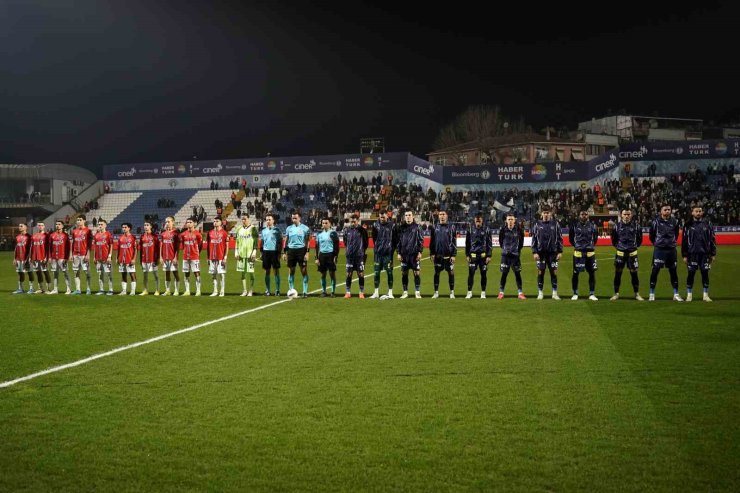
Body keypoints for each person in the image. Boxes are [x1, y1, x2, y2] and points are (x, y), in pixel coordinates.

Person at [681, 205, 716, 302]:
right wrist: (684, 255)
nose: (698, 213)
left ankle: (705, 295)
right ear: (692, 213)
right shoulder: (688, 224)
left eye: (700, 211)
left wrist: (713, 254)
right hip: (692, 254)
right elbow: (684, 241)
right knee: (691, 274)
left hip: (705, 254)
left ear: (702, 212)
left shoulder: (707, 223)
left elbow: (712, 239)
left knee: (705, 273)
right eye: (696, 211)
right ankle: (689, 295)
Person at [648, 204, 682, 302]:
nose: (667, 211)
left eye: (669, 209)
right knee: (655, 270)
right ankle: (651, 293)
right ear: (661, 211)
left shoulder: (675, 221)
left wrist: (670, 243)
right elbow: (651, 235)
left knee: (673, 271)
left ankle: (676, 294)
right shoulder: (655, 222)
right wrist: (658, 244)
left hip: (671, 250)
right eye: (665, 209)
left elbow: (675, 234)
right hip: (659, 250)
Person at [610, 209, 644, 301]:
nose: (626, 216)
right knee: (618, 273)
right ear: (621, 215)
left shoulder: (636, 226)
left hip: (632, 254)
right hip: (620, 253)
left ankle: (636, 294)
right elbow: (613, 240)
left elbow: (640, 240)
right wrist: (619, 247)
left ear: (631, 215)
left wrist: (633, 247)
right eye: (625, 214)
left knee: (634, 274)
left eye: (628, 214)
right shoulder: (616, 226)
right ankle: (616, 293)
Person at [531, 205, 563, 300]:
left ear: (550, 214)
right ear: (541, 214)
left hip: (553, 253)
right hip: (541, 254)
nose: (546, 214)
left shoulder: (555, 224)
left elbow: (560, 239)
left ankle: (554, 293)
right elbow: (534, 240)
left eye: (547, 213)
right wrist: (534, 252)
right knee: (541, 273)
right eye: (544, 213)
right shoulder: (537, 224)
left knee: (554, 273)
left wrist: (560, 252)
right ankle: (540, 293)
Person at [569, 209, 599, 301]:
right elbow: (571, 239)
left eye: (586, 214)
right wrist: (578, 246)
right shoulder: (574, 226)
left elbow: (595, 239)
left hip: (590, 253)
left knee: (592, 273)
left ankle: (592, 294)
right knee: (575, 273)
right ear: (579, 215)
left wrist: (589, 246)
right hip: (578, 253)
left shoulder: (593, 226)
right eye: (582, 214)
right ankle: (575, 293)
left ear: (588, 215)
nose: (584, 216)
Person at [498, 213, 526, 300]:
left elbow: (521, 243)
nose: (510, 221)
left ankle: (520, 293)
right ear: (506, 220)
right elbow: (500, 242)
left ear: (514, 220)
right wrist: (506, 250)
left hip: (515, 256)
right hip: (505, 256)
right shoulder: (503, 230)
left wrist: (516, 251)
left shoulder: (519, 230)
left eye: (512, 219)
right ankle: (501, 292)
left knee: (517, 274)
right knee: (504, 274)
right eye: (509, 219)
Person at [429, 210, 456, 299]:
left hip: (448, 256)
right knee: (436, 273)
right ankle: (436, 292)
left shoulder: (452, 227)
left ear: (447, 216)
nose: (442, 216)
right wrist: (432, 253)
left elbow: (454, 241)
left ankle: (452, 292)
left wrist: (453, 255)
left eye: (443, 214)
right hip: (438, 256)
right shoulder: (434, 227)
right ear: (438, 216)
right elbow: (432, 241)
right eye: (440, 214)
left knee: (451, 273)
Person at [283, 212, 311, 298]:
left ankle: (305, 291)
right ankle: (291, 290)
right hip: (291, 251)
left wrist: (307, 252)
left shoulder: (305, 228)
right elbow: (286, 240)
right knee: (291, 271)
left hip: (301, 250)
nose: (294, 219)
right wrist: (284, 253)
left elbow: (308, 241)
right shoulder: (289, 228)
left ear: (300, 218)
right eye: (293, 218)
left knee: (303, 271)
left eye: (295, 218)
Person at [396, 210, 424, 299]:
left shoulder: (417, 227)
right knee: (404, 274)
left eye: (409, 215)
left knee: (416, 273)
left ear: (413, 216)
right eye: (406, 215)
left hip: (414, 255)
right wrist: (398, 253)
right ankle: (405, 292)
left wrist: (420, 252)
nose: (408, 216)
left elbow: (421, 240)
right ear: (404, 217)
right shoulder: (401, 228)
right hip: (404, 255)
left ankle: (417, 292)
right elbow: (398, 241)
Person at [370, 210, 396, 299]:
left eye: (383, 217)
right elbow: (374, 237)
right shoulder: (375, 225)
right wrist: (378, 247)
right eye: (380, 217)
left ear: (387, 216)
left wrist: (391, 249)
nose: (382, 218)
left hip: (388, 254)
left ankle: (390, 292)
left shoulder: (392, 225)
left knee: (389, 273)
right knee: (376, 273)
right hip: (377, 254)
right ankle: (376, 292)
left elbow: (395, 239)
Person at [465, 213, 492, 299]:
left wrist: (489, 255)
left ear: (482, 220)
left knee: (483, 274)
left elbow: (489, 243)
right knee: (471, 274)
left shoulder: (487, 229)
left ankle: (483, 293)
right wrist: (467, 255)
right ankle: (469, 292)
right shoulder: (470, 229)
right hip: (473, 256)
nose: (478, 220)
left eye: (479, 219)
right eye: (476, 219)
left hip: (483, 257)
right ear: (474, 220)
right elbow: (467, 243)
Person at [343, 214, 369, 298]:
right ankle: (348, 292)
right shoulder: (347, 230)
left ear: (358, 221)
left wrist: (361, 251)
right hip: (350, 256)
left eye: (354, 221)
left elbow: (366, 243)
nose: (352, 223)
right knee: (348, 274)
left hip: (359, 256)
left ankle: (361, 292)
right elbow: (345, 241)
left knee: (360, 274)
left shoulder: (362, 230)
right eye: (351, 221)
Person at [234, 214, 259, 296]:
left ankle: (251, 290)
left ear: (248, 219)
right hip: (241, 254)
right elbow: (237, 241)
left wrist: (254, 251)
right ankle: (244, 290)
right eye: (242, 219)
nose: (243, 221)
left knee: (251, 272)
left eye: (245, 219)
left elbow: (255, 241)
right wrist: (236, 251)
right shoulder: (239, 229)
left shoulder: (253, 229)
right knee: (242, 273)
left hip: (250, 255)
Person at [314, 218, 339, 297]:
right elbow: (317, 247)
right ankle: (324, 291)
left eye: (326, 223)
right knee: (323, 274)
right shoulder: (319, 235)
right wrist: (316, 258)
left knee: (332, 274)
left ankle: (333, 292)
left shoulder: (333, 233)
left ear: (330, 224)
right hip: (322, 256)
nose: (324, 224)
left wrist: (335, 256)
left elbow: (336, 246)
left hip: (330, 255)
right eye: (323, 223)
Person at [259, 213, 283, 296]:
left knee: (276, 271)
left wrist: (280, 253)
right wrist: (261, 253)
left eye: (269, 220)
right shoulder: (263, 231)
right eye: (267, 220)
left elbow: (280, 242)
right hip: (266, 252)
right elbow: (262, 242)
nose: (268, 221)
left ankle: (277, 290)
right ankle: (268, 290)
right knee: (267, 272)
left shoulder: (277, 230)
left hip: (274, 252)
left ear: (273, 221)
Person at [70, 215, 93, 295]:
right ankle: (78, 289)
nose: (78, 221)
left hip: (84, 254)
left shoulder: (88, 231)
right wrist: (71, 254)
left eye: (80, 220)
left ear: (84, 221)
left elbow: (90, 244)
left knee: (87, 272)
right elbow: (72, 243)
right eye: (77, 220)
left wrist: (88, 254)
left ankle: (88, 289)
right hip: (75, 254)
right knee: (76, 272)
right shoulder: (74, 231)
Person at [206, 216, 229, 297]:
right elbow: (208, 246)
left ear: (221, 222)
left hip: (221, 257)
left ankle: (222, 291)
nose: (215, 222)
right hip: (212, 257)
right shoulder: (210, 233)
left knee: (221, 274)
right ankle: (215, 291)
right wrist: (207, 258)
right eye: (214, 221)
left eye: (217, 221)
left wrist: (225, 257)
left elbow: (227, 246)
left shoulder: (224, 233)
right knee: (213, 274)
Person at [48, 220, 71, 295]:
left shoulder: (65, 235)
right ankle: (55, 289)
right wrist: (50, 257)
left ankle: (68, 289)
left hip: (62, 257)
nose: (57, 225)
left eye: (59, 224)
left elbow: (68, 247)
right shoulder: (52, 235)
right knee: (55, 273)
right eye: (56, 224)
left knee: (65, 273)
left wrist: (67, 257)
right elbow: (50, 247)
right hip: (54, 257)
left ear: (62, 226)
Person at [181, 218, 203, 296]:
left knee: (196, 273)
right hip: (185, 257)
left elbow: (200, 245)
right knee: (186, 273)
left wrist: (197, 253)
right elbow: (183, 245)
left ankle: (198, 290)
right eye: (187, 222)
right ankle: (187, 291)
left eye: (190, 222)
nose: (189, 224)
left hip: (194, 257)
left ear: (194, 224)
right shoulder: (183, 234)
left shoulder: (198, 234)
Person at [160, 216, 181, 296]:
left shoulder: (176, 233)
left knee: (175, 273)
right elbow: (161, 246)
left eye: (169, 222)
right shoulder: (163, 233)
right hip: (165, 257)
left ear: (173, 222)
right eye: (166, 222)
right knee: (167, 273)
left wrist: (176, 257)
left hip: (173, 258)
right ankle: (167, 290)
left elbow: (177, 247)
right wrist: (161, 257)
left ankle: (176, 290)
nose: (167, 223)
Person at [93, 219, 114, 295]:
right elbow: (95, 246)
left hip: (106, 258)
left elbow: (111, 245)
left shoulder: (108, 234)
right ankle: (101, 290)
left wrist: (109, 256)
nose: (100, 226)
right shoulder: (96, 235)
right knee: (100, 274)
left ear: (105, 225)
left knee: (109, 274)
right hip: (98, 258)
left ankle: (111, 290)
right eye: (99, 224)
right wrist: (94, 257)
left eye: (101, 224)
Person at [139, 221, 160, 296]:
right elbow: (141, 249)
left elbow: (158, 248)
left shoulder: (155, 236)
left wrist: (157, 258)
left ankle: (157, 290)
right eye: (144, 225)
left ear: (151, 226)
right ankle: (145, 290)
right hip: (144, 259)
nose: (145, 226)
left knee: (156, 275)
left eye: (147, 225)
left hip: (153, 259)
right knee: (145, 275)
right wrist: (140, 260)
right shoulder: (142, 236)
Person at [12, 223, 33, 294]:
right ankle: (20, 288)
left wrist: (29, 259)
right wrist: (14, 258)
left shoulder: (29, 237)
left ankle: (31, 288)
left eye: (21, 226)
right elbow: (16, 248)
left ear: (26, 227)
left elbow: (30, 249)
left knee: (29, 272)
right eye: (19, 226)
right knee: (20, 273)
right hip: (18, 259)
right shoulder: (17, 237)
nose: (19, 227)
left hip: (26, 259)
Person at [31, 221, 51, 293]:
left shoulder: (47, 235)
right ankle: (40, 288)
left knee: (45, 272)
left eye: (42, 225)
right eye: (39, 225)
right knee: (38, 272)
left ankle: (48, 289)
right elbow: (32, 247)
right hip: (35, 257)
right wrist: (31, 257)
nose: (40, 226)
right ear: (37, 226)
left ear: (44, 226)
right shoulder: (34, 235)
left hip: (43, 257)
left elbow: (48, 247)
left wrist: (47, 257)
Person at [117, 222, 138, 295]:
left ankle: (133, 291)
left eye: (125, 227)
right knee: (123, 275)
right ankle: (124, 290)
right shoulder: (120, 238)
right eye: (123, 227)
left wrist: (134, 259)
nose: (124, 229)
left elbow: (136, 249)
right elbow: (119, 249)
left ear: (129, 228)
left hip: (130, 260)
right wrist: (117, 258)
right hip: (122, 260)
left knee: (132, 274)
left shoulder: (133, 237)